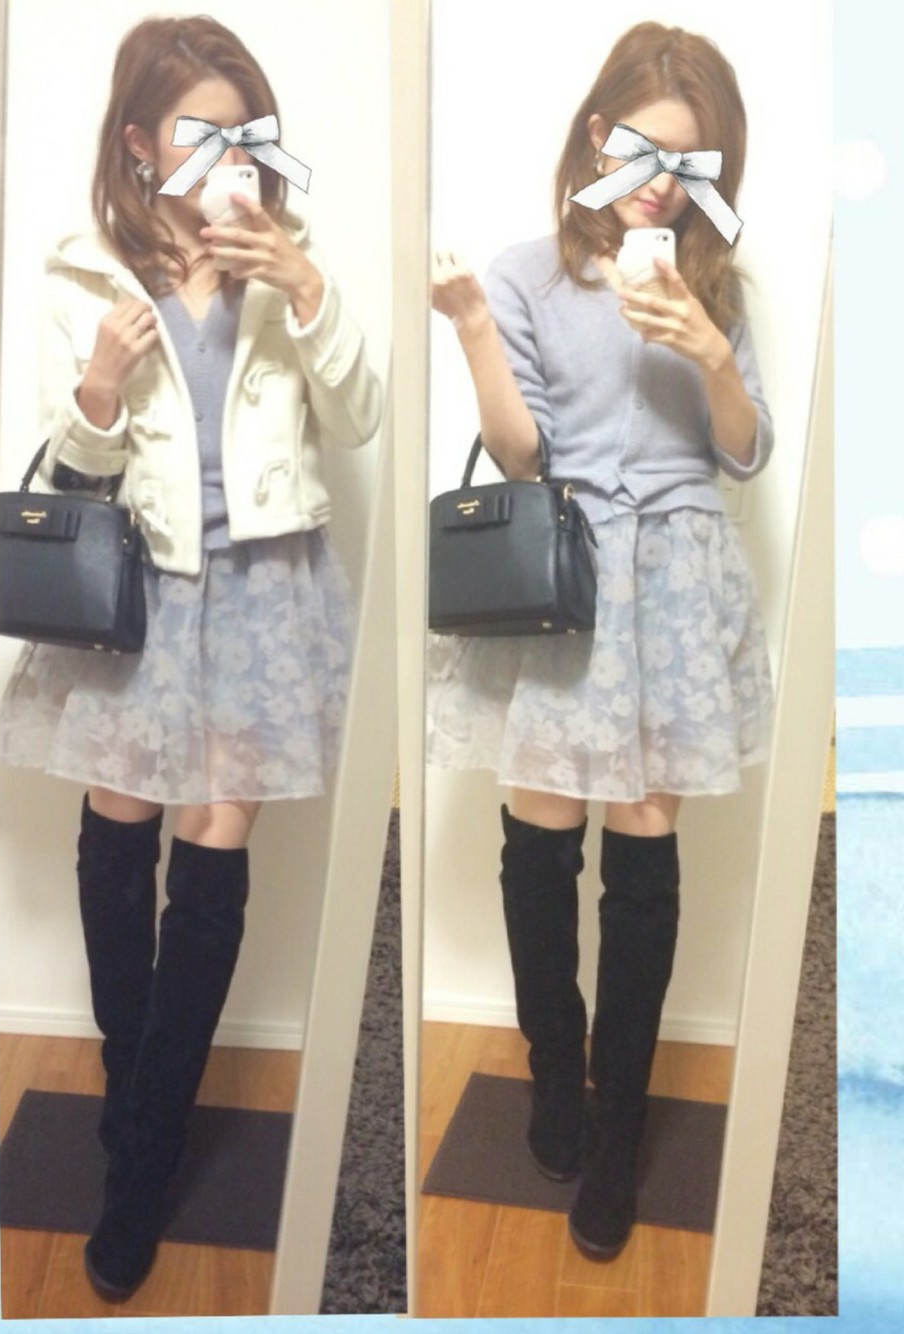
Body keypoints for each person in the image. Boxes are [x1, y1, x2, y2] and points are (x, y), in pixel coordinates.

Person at [0, 15, 381, 1302]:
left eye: (243, 133)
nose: (225, 154)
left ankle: (144, 1153)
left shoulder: (287, 267)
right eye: (198, 131)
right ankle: (131, 1085)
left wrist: (307, 287)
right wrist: (100, 388)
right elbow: (77, 466)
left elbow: (362, 417)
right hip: (139, 595)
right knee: (118, 840)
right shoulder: (82, 272)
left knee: (213, 859)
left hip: (266, 593)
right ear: (140, 144)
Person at [429, 21, 773, 1261]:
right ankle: (554, 1074)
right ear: (594, 135)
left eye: (690, 163)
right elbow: (523, 455)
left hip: (676, 583)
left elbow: (745, 452)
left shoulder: (714, 284)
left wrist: (710, 351)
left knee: (644, 845)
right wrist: (475, 326)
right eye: (642, 151)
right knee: (539, 839)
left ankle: (617, 1124)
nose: (661, 183)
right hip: (565, 581)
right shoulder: (527, 272)